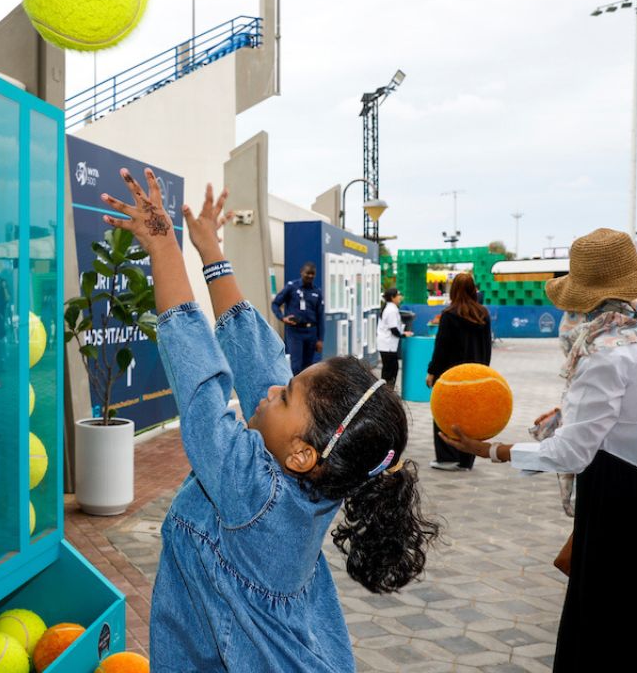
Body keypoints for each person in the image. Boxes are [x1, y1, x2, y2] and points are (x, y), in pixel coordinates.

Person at [101, 172, 439, 671]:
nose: (275, 389)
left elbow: (200, 386)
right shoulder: (321, 472)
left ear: (302, 453)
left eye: (285, 397)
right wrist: (212, 252)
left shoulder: (254, 491)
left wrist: (162, 245)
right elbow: (258, 359)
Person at [437, 228, 637, 671]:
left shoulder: (604, 350)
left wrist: (492, 450)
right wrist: (579, 413)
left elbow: (571, 453)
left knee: (598, 631)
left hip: (623, 498)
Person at [426, 272, 492, 471]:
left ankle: (447, 458)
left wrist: (432, 372)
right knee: (470, 417)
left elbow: (442, 347)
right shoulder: (483, 314)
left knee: (445, 414)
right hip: (475, 375)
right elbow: (486, 346)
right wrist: (484, 373)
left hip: (451, 376)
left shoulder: (449, 314)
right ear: (473, 290)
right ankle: (466, 460)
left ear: (453, 290)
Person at [272, 261, 325, 375]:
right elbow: (275, 303)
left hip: (311, 332)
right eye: (307, 273)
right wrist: (282, 318)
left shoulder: (317, 292)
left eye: (312, 274)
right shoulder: (292, 287)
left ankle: (305, 391)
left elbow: (320, 316)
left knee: (308, 366)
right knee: (296, 365)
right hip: (295, 332)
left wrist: (320, 339)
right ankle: (294, 390)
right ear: (302, 272)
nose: (310, 276)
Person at [376, 288, 409, 390]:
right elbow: (393, 329)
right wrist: (403, 335)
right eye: (398, 295)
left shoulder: (391, 308)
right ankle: (387, 392)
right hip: (387, 345)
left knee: (389, 369)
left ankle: (386, 392)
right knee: (390, 370)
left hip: (387, 345)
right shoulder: (391, 310)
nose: (400, 297)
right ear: (392, 297)